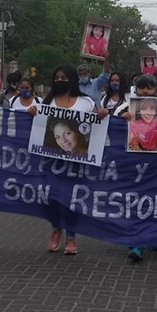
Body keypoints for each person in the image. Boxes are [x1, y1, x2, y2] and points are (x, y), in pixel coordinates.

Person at [29, 65, 106, 256]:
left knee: (72, 199)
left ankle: (71, 236)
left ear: (72, 79)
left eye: (64, 78)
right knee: (52, 198)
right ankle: (56, 229)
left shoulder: (86, 102)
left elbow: (95, 125)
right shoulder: (46, 102)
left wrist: (101, 115)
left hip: (76, 162)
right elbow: (37, 126)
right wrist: (31, 113)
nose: (60, 81)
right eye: (57, 78)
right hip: (51, 162)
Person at [114, 74, 157, 262]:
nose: (146, 91)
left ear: (156, 90)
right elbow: (111, 129)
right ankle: (136, 242)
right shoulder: (125, 107)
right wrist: (120, 119)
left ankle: (154, 235)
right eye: (142, 88)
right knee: (135, 202)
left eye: (149, 88)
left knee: (156, 200)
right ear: (136, 90)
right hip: (133, 165)